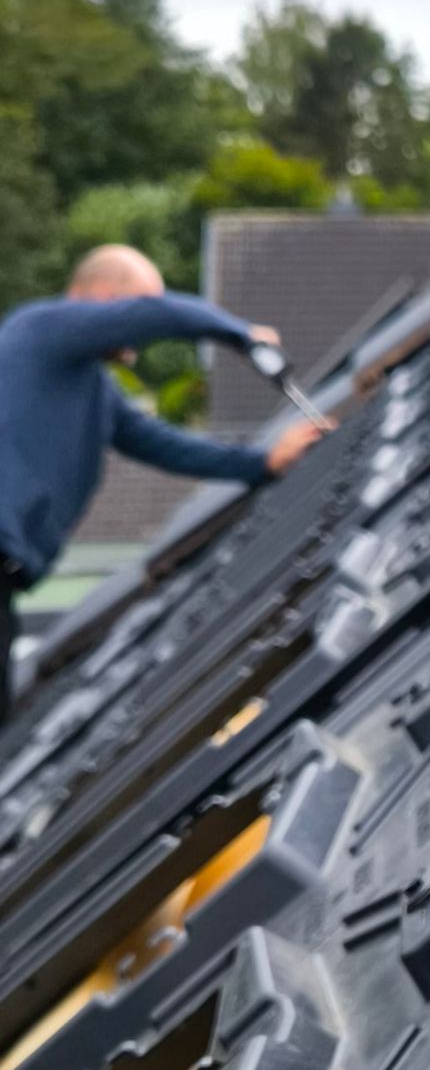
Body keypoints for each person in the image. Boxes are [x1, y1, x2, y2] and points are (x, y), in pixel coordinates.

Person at [0, 244, 329, 720]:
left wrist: (264, 464)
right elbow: (156, 315)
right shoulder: (39, 328)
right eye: (139, 303)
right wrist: (241, 335)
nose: (140, 336)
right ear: (104, 296)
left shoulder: (94, 390)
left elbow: (166, 446)